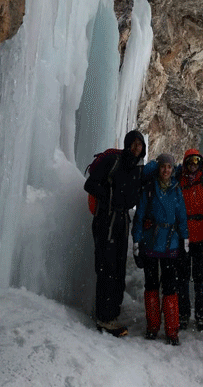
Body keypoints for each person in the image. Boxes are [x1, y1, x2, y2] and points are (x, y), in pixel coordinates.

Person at [83, 129, 148, 337]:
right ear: (128, 144)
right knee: (106, 267)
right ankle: (104, 317)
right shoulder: (113, 161)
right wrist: (111, 198)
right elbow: (90, 184)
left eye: (140, 145)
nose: (137, 148)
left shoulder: (137, 168)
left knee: (118, 268)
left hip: (121, 221)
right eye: (134, 143)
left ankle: (111, 314)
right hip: (106, 219)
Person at [132, 153, 189, 345]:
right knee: (152, 285)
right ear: (159, 168)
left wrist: (185, 240)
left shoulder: (175, 190)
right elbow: (139, 217)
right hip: (151, 242)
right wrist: (136, 242)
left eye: (169, 167)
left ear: (173, 170)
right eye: (164, 166)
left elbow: (181, 216)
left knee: (170, 287)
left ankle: (172, 330)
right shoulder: (149, 189)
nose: (166, 170)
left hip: (170, 244)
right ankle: (153, 326)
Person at [176, 148, 203, 331]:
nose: (193, 166)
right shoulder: (179, 182)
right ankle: (183, 314)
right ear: (185, 164)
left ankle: (201, 314)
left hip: (200, 238)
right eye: (190, 162)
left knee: (199, 279)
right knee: (183, 278)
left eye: (196, 162)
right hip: (183, 237)